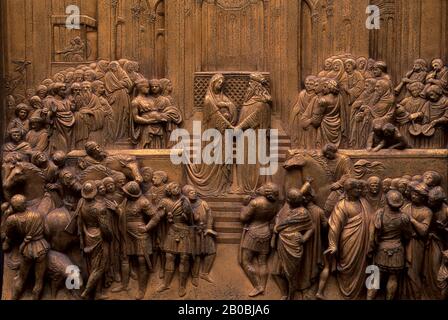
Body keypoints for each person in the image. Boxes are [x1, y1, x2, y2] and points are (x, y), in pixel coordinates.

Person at [316, 178, 373, 300]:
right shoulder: (341, 205)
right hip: (348, 240)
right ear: (348, 190)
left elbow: (371, 219)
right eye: (355, 188)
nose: (359, 190)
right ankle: (346, 291)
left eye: (359, 188)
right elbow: (334, 227)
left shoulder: (364, 202)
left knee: (361, 266)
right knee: (348, 266)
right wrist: (333, 244)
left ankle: (359, 293)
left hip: (364, 241)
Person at [186, 73, 237, 195]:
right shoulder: (208, 100)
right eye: (218, 82)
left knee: (223, 158)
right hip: (213, 134)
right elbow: (215, 116)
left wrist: (228, 108)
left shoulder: (224, 98)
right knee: (214, 156)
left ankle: (223, 185)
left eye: (222, 83)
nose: (220, 84)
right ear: (213, 84)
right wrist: (228, 124)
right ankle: (213, 184)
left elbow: (232, 109)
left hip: (224, 134)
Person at [112, 182, 160, 300]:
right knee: (124, 258)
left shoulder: (143, 202)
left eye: (127, 193)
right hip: (126, 234)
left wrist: (147, 227)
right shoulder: (126, 200)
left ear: (132, 194)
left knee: (141, 260)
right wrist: (118, 210)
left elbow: (156, 216)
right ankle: (124, 285)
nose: (124, 194)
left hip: (140, 234)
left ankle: (141, 289)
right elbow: (124, 214)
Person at [2, 195, 50, 300]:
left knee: (21, 278)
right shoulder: (37, 215)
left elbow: (8, 235)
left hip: (27, 248)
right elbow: (47, 232)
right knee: (39, 281)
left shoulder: (12, 219)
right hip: (41, 247)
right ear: (25, 204)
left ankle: (14, 298)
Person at [367, 190, 412, 300]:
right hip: (397, 250)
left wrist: (370, 249)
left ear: (387, 201)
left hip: (381, 249)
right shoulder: (404, 217)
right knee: (393, 278)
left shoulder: (379, 214)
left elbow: (372, 235)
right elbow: (407, 236)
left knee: (375, 277)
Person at [271, 188, 314, 300]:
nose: (287, 200)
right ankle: (284, 293)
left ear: (292, 201)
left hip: (294, 245)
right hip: (282, 243)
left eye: (288, 199)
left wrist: (304, 238)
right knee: (276, 272)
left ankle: (291, 296)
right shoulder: (286, 209)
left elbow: (311, 227)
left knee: (291, 274)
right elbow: (279, 220)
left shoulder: (303, 212)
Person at [239, 183, 280, 297]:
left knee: (245, 261)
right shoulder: (275, 204)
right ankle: (263, 286)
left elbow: (243, 217)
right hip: (266, 232)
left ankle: (258, 286)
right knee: (262, 262)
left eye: (263, 186)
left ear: (266, 191)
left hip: (253, 233)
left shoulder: (255, 202)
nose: (260, 187)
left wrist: (244, 205)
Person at [75, 181, 112, 300]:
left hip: (87, 236)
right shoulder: (100, 208)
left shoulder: (81, 203)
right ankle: (86, 292)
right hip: (99, 237)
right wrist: (110, 237)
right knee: (99, 267)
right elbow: (105, 228)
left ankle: (97, 293)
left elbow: (80, 222)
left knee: (93, 266)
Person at [156, 182, 194, 297]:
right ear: (169, 190)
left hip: (184, 230)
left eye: (178, 187)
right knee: (169, 256)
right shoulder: (165, 201)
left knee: (184, 258)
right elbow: (158, 216)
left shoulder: (184, 200)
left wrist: (186, 216)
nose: (177, 189)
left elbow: (191, 220)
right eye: (174, 187)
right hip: (172, 230)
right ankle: (166, 283)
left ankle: (182, 286)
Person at [401, 182, 432, 299]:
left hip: (416, 244)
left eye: (417, 195)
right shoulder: (406, 207)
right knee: (403, 272)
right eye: (413, 194)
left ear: (423, 197)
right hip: (404, 242)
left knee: (413, 273)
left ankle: (417, 296)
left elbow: (424, 231)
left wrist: (412, 220)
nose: (413, 196)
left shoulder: (427, 211)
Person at [183, 185, 217, 286]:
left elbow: (210, 215)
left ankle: (205, 273)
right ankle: (195, 276)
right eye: (191, 192)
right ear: (186, 194)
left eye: (194, 191)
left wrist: (209, 227)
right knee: (196, 255)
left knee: (211, 252)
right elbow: (184, 220)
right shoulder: (185, 206)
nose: (194, 193)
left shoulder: (203, 203)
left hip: (205, 230)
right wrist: (192, 219)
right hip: (193, 233)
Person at [424, 187, 448, 299]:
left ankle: (437, 293)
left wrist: (443, 228)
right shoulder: (431, 209)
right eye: (429, 200)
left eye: (431, 201)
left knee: (436, 267)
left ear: (439, 201)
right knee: (429, 267)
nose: (429, 203)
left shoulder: (446, 211)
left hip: (442, 244)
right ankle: (430, 290)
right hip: (431, 241)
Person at [104, 61, 133, 140]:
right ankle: (114, 136)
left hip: (124, 98)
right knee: (115, 116)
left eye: (115, 65)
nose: (114, 67)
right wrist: (122, 84)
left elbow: (129, 83)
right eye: (112, 65)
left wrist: (120, 84)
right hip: (114, 99)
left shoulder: (122, 72)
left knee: (124, 114)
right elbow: (111, 86)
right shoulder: (108, 75)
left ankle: (123, 135)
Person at [44, 82, 75, 153]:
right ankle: (59, 157)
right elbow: (45, 117)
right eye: (63, 90)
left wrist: (73, 106)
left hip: (69, 126)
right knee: (60, 143)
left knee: (69, 143)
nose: (65, 92)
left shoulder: (67, 101)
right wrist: (52, 112)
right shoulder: (50, 101)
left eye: (65, 90)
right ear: (56, 91)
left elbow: (72, 110)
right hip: (57, 126)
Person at [290, 76, 317, 148]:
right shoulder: (302, 94)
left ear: (315, 85)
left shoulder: (317, 95)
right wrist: (293, 117)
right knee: (301, 138)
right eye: (307, 84)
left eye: (311, 84)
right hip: (302, 118)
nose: (308, 86)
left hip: (312, 119)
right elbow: (298, 105)